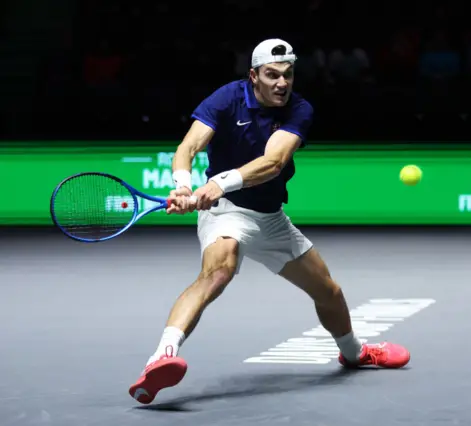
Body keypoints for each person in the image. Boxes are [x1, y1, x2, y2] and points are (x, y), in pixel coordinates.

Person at [128, 38, 411, 405]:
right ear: (253, 76)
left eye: (288, 75)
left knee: (329, 292)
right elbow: (187, 148)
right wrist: (183, 185)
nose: (282, 83)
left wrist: (218, 182)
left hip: (270, 217)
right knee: (219, 270)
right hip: (225, 212)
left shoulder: (299, 109)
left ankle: (355, 353)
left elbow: (273, 162)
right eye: (272, 75)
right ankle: (161, 357)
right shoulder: (228, 97)